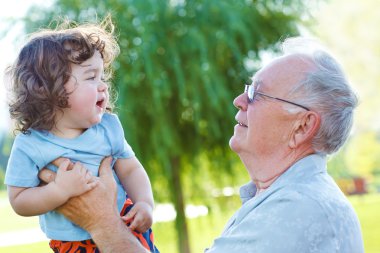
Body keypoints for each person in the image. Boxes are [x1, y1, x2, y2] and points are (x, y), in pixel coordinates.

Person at [39, 36, 365, 253]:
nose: (239, 100)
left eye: (257, 94)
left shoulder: (299, 209)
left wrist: (102, 224)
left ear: (303, 126)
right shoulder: (283, 200)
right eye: (246, 89)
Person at [4, 17, 158, 253]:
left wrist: (145, 203)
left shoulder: (108, 128)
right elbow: (19, 200)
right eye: (91, 77)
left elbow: (131, 169)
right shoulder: (30, 144)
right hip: (73, 246)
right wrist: (58, 191)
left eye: (102, 77)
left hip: (125, 227)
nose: (103, 86)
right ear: (50, 90)